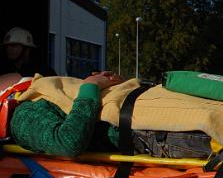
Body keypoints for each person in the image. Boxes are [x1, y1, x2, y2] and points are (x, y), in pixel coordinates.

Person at [8, 71, 212, 159]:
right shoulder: (22, 117)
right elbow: (68, 142)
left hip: (147, 106)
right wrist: (90, 87)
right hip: (150, 128)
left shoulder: (37, 93)